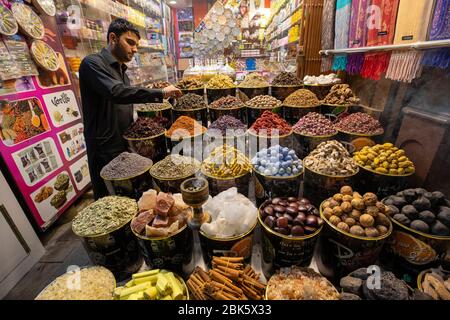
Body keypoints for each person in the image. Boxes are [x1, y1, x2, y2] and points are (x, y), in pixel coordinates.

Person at [79, 18, 181, 199]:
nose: (135, 49)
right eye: (130, 42)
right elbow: (116, 92)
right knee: (109, 198)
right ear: (113, 38)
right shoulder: (92, 64)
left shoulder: (122, 72)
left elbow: (126, 99)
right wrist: (161, 92)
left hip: (124, 143)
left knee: (129, 195)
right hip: (104, 146)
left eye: (136, 45)